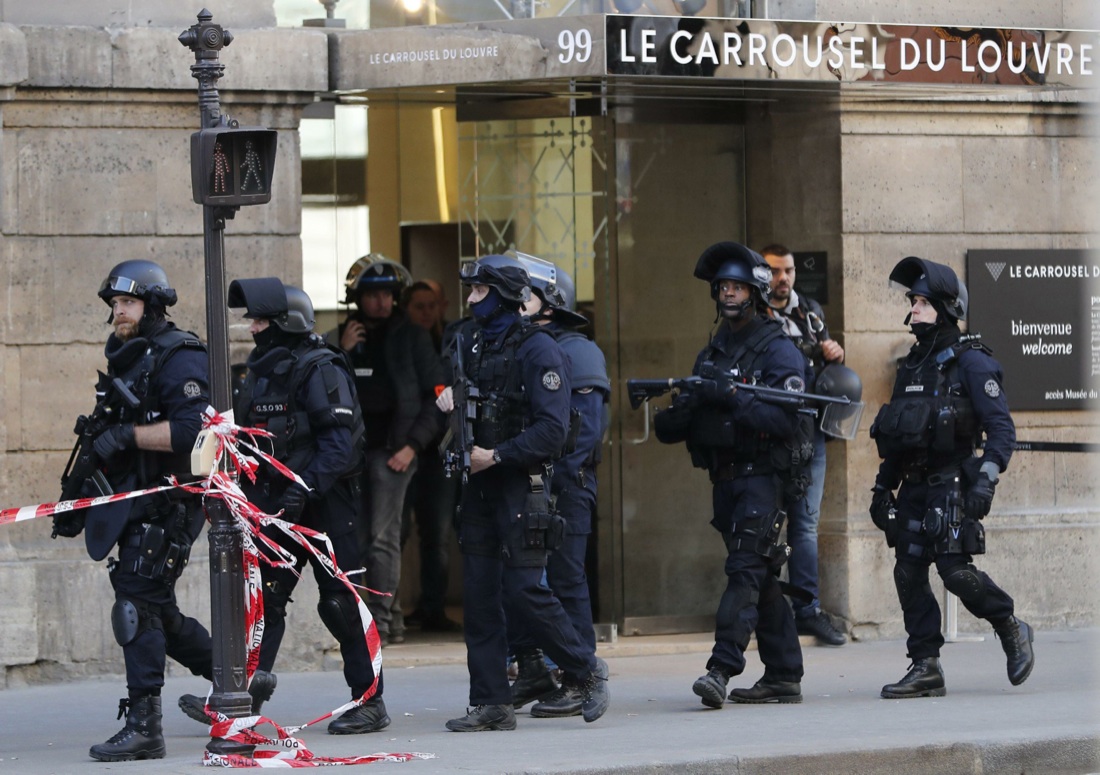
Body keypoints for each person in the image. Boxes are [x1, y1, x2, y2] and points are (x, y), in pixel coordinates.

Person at [181, 278, 388, 734]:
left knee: (339, 603)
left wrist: (304, 487)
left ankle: (370, 700)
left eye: (259, 319)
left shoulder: (321, 367)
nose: (252, 327)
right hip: (276, 503)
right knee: (263, 600)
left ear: (285, 322)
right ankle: (240, 697)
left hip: (326, 503)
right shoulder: (261, 369)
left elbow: (340, 446)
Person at [435, 254, 609, 731]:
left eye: (479, 292)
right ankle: (491, 701)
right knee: (480, 596)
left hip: (520, 485)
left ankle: (585, 671)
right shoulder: (469, 344)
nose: (471, 300)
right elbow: (460, 396)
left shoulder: (539, 350)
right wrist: (447, 398)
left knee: (526, 591)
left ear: (505, 297)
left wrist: (497, 455)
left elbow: (553, 431)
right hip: (479, 488)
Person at [50, 260, 214, 761]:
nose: (118, 312)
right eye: (116, 304)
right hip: (134, 500)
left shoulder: (180, 355)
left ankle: (145, 726)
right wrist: (78, 501)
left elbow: (191, 432)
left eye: (127, 303)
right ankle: (239, 676)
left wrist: (127, 436)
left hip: (171, 501)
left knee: (135, 602)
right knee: (156, 610)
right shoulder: (127, 356)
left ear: (153, 305)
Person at [869, 257, 1034, 698]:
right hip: (914, 484)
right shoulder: (910, 367)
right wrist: (883, 486)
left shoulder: (972, 363)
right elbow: (900, 434)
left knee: (955, 572)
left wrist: (987, 478)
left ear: (946, 308)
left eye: (923, 301)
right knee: (907, 571)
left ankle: (1009, 624)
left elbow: (1001, 430)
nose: (915, 309)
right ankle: (926, 665)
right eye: (913, 301)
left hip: (953, 481)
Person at [654, 242, 806, 708]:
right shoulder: (713, 350)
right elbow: (685, 418)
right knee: (760, 581)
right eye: (723, 286)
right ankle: (783, 674)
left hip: (765, 479)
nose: (728, 294)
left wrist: (733, 397)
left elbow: (787, 420)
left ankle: (721, 668)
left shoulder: (779, 349)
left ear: (755, 292)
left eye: (737, 286)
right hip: (725, 481)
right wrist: (677, 413)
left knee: (743, 571)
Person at [508, 253, 610, 716]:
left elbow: (585, 431)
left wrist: (551, 480)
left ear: (549, 302)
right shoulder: (523, 347)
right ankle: (535, 671)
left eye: (523, 294)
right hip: (529, 485)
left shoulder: (577, 349)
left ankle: (578, 678)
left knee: (567, 579)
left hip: (566, 484)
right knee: (525, 581)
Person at [327, 256, 445, 646]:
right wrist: (343, 352)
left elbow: (437, 397)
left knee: (383, 538)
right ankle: (384, 616)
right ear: (356, 298)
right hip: (352, 456)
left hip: (395, 453)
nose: (380, 302)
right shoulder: (338, 337)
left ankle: (377, 619)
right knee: (357, 538)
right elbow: (325, 392)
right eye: (371, 295)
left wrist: (413, 446)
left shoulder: (412, 336)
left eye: (386, 295)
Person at [759, 244, 848, 646]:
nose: (783, 278)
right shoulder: (753, 313)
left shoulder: (809, 313)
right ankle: (762, 609)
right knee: (762, 525)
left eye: (789, 271)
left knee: (806, 526)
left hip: (810, 432)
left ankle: (807, 610)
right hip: (768, 432)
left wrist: (833, 352)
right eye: (776, 271)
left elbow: (826, 363)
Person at [399, 280, 460, 633]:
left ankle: (432, 608)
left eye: (430, 305)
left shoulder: (452, 344)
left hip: (441, 453)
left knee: (437, 535)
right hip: (406, 449)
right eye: (418, 306)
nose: (425, 312)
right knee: (398, 531)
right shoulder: (401, 342)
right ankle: (392, 611)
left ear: (442, 306)